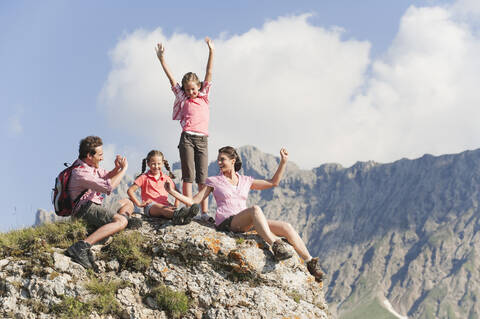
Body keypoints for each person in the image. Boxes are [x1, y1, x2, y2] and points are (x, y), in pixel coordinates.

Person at [164, 146, 324, 282]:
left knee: (286, 226)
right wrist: (171, 191)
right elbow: (194, 201)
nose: (219, 163)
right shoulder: (214, 181)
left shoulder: (246, 180)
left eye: (222, 159)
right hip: (227, 222)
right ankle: (275, 244)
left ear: (233, 161)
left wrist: (283, 162)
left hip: (245, 221)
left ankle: (310, 263)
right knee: (255, 209)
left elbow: (273, 182)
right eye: (219, 160)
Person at [155, 37, 214, 222]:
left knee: (202, 178)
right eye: (187, 90)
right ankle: (189, 208)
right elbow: (171, 78)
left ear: (199, 87)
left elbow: (209, 71)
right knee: (188, 176)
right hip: (187, 138)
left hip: (202, 139)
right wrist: (162, 59)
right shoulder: (182, 97)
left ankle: (204, 212)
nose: (190, 93)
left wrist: (211, 51)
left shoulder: (204, 96)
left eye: (193, 89)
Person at [65, 136, 138, 269]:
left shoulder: (88, 166)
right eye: (100, 155)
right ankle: (81, 247)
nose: (102, 158)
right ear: (89, 155)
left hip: (94, 206)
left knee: (128, 202)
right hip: (84, 210)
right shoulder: (80, 173)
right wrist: (124, 170)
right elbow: (108, 187)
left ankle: (118, 225)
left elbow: (105, 176)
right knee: (121, 221)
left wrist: (116, 169)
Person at [127, 150, 199, 223]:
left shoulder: (166, 178)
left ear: (163, 163)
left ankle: (183, 217)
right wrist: (139, 204)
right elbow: (130, 190)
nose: (156, 166)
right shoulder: (144, 177)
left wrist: (176, 205)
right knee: (162, 209)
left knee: (168, 209)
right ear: (148, 164)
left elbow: (176, 192)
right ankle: (178, 215)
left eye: (159, 164)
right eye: (153, 164)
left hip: (166, 205)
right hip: (151, 206)